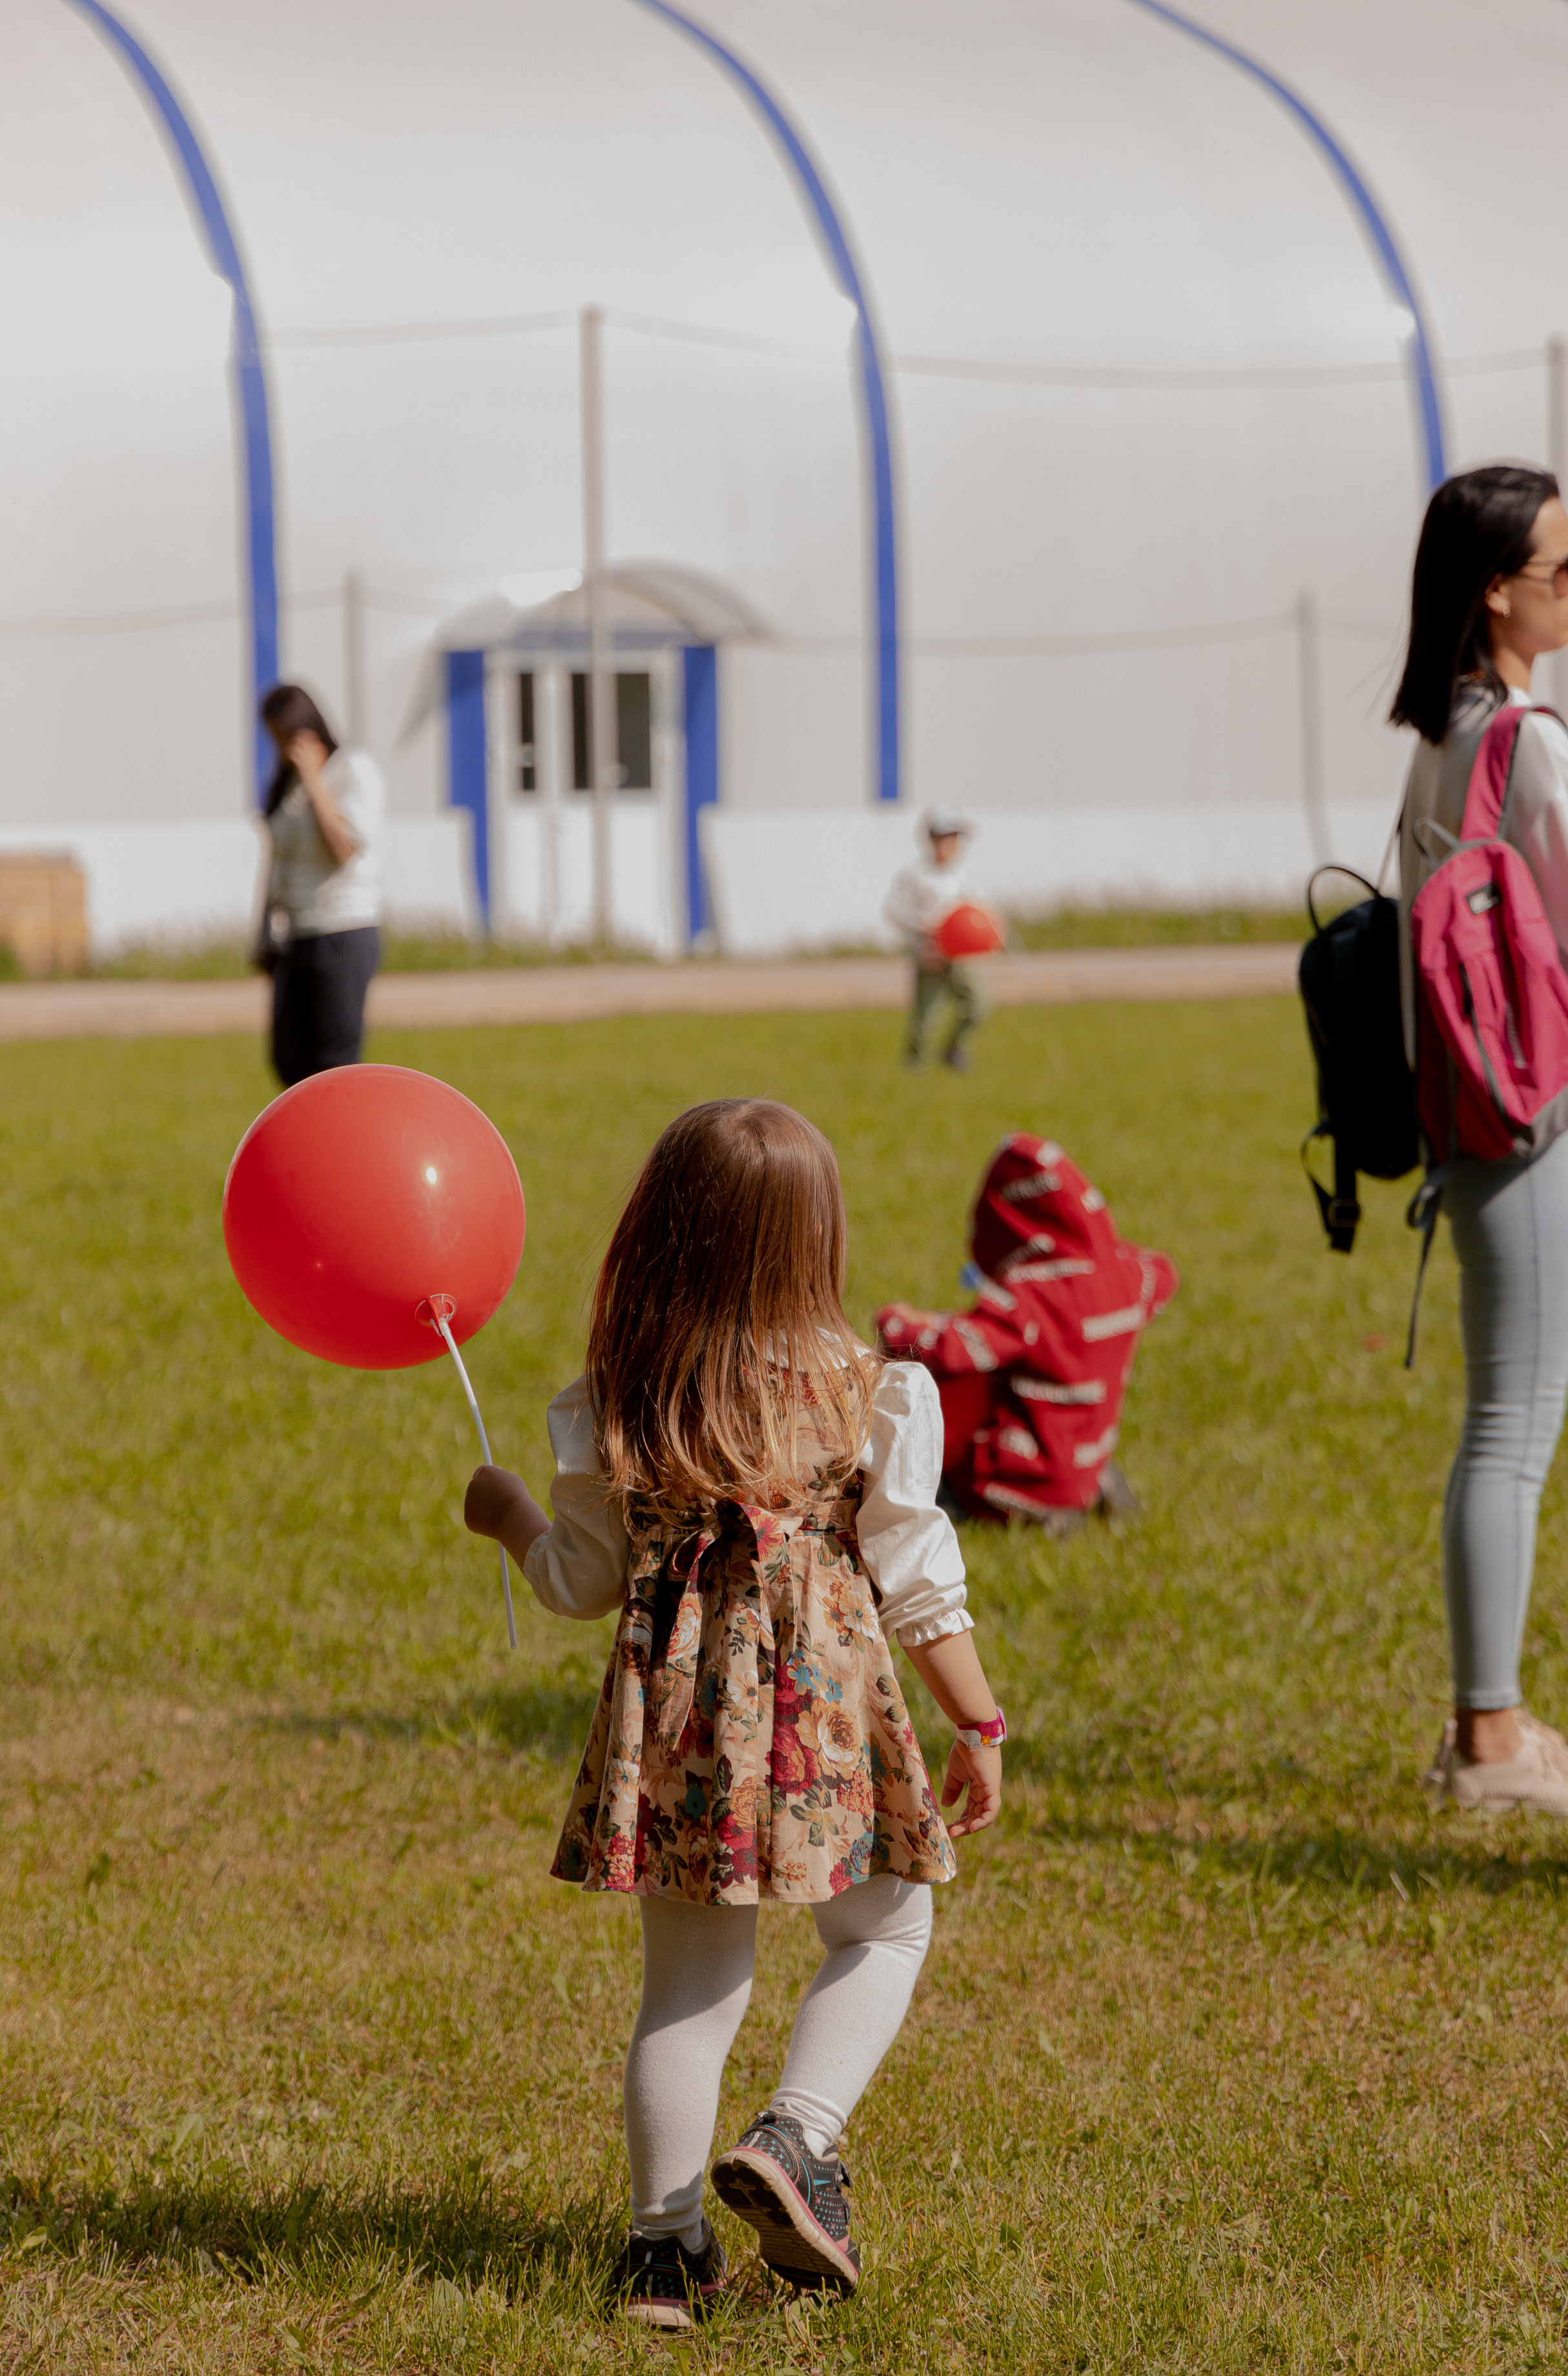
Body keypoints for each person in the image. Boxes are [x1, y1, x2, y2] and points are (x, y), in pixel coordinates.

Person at [461, 1099, 1004, 2331]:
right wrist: (981, 1724)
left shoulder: (618, 1398)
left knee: (688, 1996)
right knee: (887, 1927)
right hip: (823, 1728)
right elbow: (919, 1577)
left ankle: (663, 2257)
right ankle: (798, 2140)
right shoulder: (873, 1391)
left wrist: (508, 1517)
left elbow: (578, 1585)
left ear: (656, 1235)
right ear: (817, 1242)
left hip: (681, 1741)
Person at [1394, 465, 1568, 1823]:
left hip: (1464, 1109)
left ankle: (1490, 1726)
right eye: (1559, 566)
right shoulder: (1529, 741)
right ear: (1492, 586)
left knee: (1500, 1425)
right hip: (1530, 1121)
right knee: (1511, 1430)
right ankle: (1489, 1742)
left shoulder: (1442, 733)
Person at [875, 1132, 1177, 1534]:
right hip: (1087, 1463)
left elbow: (952, 1350)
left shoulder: (1030, 1301)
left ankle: (1013, 1507)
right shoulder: (1131, 1277)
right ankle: (1090, 1494)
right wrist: (1105, 1249)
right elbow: (1165, 1273)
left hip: (1020, 1476)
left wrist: (898, 1323)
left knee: (933, 1438)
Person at [258, 683, 384, 1086]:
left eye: (283, 734)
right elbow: (277, 862)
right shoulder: (288, 785)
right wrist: (263, 929)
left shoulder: (351, 770)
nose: (280, 746)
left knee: (335, 1063)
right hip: (296, 933)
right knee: (289, 1060)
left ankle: (340, 1148)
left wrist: (315, 782)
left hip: (342, 929)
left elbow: (345, 849)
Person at [883, 806, 991, 1069]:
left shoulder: (961, 874)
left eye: (957, 838)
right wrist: (921, 926)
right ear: (933, 839)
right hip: (929, 951)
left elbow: (973, 909)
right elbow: (894, 909)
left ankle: (955, 1050)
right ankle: (914, 1065)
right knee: (926, 1017)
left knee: (978, 1005)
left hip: (959, 954)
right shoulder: (915, 873)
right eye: (948, 838)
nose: (953, 845)